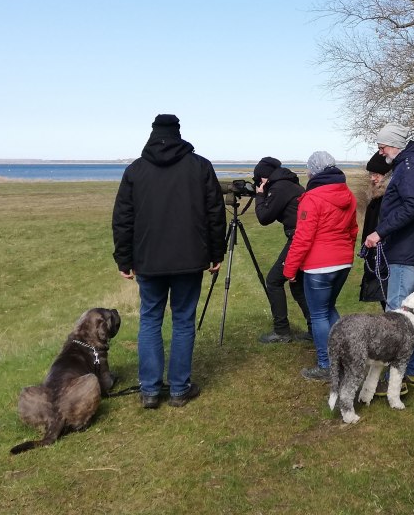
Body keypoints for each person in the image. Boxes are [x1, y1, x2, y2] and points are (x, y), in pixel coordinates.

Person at [112, 114, 226, 409]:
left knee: (150, 319)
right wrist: (216, 253)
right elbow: (216, 214)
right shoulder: (199, 166)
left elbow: (122, 220)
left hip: (149, 260)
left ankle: (150, 390)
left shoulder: (135, 170)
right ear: (178, 133)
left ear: (152, 134)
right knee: (183, 320)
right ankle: (178, 388)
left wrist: (124, 259)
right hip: (189, 259)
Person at [364, 122, 414, 389]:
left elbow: (413, 205)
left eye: (382, 147)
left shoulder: (407, 166)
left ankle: (396, 380)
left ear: (394, 144)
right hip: (410, 249)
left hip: (406, 252)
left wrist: (380, 231)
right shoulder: (412, 165)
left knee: (397, 318)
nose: (381, 153)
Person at [283, 151, 358, 381]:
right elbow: (353, 230)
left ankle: (326, 365)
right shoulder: (348, 194)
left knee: (318, 314)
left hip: (319, 265)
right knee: (329, 308)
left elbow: (303, 238)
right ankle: (348, 355)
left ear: (313, 171)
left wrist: (289, 269)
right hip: (342, 261)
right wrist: (346, 254)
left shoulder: (312, 197)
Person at [252, 156, 312, 344]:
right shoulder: (290, 184)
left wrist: (260, 196)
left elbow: (264, 217)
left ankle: (281, 331)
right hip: (305, 237)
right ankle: (313, 329)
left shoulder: (279, 188)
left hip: (298, 238)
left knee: (274, 281)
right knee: (297, 286)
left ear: (263, 177)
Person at [358, 151, 392, 308]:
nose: (372, 178)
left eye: (376, 174)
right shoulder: (377, 197)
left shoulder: (389, 198)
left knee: (391, 299)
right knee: (384, 298)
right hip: (376, 254)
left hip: (386, 255)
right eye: (371, 174)